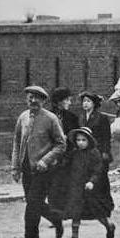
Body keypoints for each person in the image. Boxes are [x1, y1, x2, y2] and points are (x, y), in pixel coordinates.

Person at [11, 85, 67, 238]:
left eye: (38, 98)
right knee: (32, 201)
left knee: (32, 203)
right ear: (26, 99)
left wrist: (45, 160)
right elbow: (16, 142)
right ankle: (56, 217)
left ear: (43, 101)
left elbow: (61, 144)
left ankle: (30, 237)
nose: (33, 101)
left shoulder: (51, 119)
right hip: (27, 167)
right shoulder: (22, 118)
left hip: (44, 169)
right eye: (30, 97)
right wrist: (15, 167)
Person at [60, 127, 116, 238]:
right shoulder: (75, 153)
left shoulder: (94, 153)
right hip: (76, 187)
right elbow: (66, 165)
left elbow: (98, 170)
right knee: (75, 212)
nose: (80, 142)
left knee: (97, 211)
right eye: (78, 140)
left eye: (83, 140)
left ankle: (109, 226)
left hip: (89, 189)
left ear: (89, 140)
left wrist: (92, 181)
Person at [47, 87, 79, 222]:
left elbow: (77, 136)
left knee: (67, 183)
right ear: (59, 101)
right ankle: (55, 213)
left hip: (68, 155)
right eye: (67, 100)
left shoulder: (72, 117)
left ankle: (67, 211)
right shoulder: (47, 116)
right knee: (52, 185)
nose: (69, 103)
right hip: (51, 154)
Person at [78, 90, 112, 198]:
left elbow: (107, 137)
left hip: (99, 150)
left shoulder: (102, 117)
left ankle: (106, 202)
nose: (85, 103)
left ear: (94, 103)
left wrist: (105, 152)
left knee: (101, 177)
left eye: (88, 101)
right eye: (84, 101)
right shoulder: (81, 117)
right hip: (86, 151)